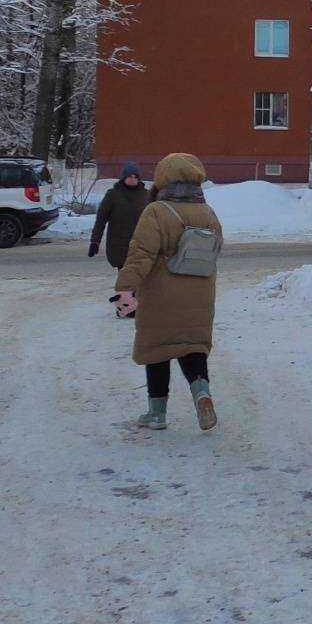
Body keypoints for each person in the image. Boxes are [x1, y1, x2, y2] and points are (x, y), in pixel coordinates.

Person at [113, 153, 223, 431]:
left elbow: (141, 254)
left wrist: (125, 286)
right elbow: (217, 247)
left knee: (157, 350)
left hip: (161, 293)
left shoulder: (156, 211)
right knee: (192, 346)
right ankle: (202, 394)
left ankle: (157, 414)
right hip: (200, 292)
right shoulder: (207, 212)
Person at [88, 162, 149, 270]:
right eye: (130, 176)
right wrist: (95, 241)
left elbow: (154, 220)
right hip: (119, 243)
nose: (133, 179)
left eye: (135, 177)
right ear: (124, 177)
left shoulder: (146, 195)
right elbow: (101, 219)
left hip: (140, 242)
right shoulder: (113, 195)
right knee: (125, 273)